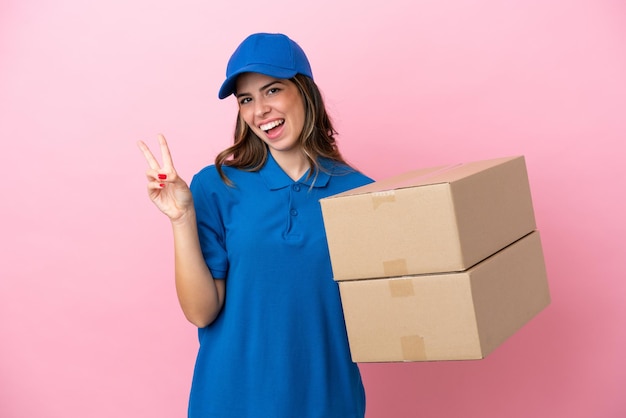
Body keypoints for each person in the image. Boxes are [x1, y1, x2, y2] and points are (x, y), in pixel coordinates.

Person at [138, 33, 373, 418]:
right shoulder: (216, 186)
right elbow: (201, 312)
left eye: (273, 90)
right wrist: (181, 219)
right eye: (246, 99)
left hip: (327, 402)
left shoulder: (362, 195)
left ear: (305, 91)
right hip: (231, 400)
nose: (260, 109)